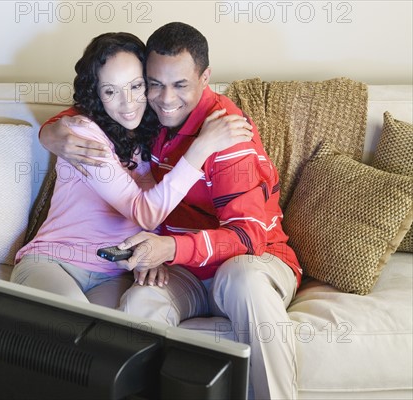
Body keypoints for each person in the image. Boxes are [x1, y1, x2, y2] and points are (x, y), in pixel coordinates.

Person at [40, 23, 303, 400]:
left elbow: (248, 237)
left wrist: (170, 249)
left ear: (205, 77)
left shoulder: (227, 135)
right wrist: (51, 130)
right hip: (185, 271)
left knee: (243, 279)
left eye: (180, 85)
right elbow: (101, 107)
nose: (165, 98)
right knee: (140, 301)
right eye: (154, 84)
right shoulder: (150, 122)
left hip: (253, 261)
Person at [12, 32, 252, 309]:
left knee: (117, 338)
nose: (127, 104)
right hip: (54, 262)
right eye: (110, 91)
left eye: (136, 86)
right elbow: (145, 212)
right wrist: (200, 149)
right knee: (75, 323)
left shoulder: (154, 134)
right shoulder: (83, 134)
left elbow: (166, 201)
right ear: (97, 94)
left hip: (113, 273)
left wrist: (154, 254)